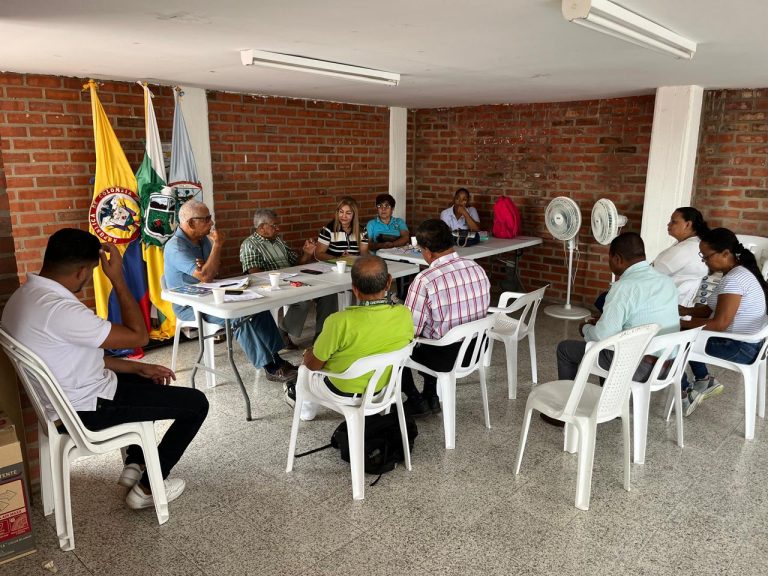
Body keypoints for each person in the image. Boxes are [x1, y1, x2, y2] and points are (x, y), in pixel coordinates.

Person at [2, 228, 209, 510]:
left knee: (149, 381)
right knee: (196, 404)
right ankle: (148, 489)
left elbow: (70, 358)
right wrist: (118, 279)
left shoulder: (24, 296)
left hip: (69, 398)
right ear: (81, 271)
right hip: (86, 410)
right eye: (90, 272)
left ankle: (135, 462)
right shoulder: (61, 310)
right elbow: (139, 337)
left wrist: (135, 368)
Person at [164, 200, 297, 383]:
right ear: (191, 223)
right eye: (206, 219)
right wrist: (217, 246)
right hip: (191, 305)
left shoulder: (202, 240)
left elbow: (214, 270)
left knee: (257, 306)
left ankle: (277, 358)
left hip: (212, 295)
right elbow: (207, 275)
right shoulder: (176, 246)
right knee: (238, 316)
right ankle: (270, 367)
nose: (211, 223)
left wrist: (206, 268)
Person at [556, 233, 679, 411]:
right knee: (610, 346)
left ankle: (566, 410)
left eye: (609, 259)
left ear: (617, 259)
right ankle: (608, 404)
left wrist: (586, 328)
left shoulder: (624, 287)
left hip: (638, 368)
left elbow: (602, 336)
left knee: (566, 349)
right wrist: (604, 322)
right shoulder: (666, 281)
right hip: (668, 366)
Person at [284, 255, 414, 420]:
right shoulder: (404, 314)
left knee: (305, 370)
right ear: (389, 282)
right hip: (383, 388)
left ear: (354, 289)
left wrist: (308, 353)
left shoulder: (339, 321)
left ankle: (304, 408)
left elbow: (313, 365)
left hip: (341, 392)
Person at [400, 219, 491, 416]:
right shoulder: (477, 268)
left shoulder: (425, 280)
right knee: (434, 328)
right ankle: (431, 394)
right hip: (476, 350)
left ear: (427, 251)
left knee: (394, 344)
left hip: (445, 358)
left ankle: (414, 398)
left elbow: (408, 331)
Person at [679, 227, 768, 416]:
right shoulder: (736, 273)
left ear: (726, 253)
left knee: (676, 342)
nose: (704, 260)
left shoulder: (734, 280)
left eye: (706, 256)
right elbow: (710, 309)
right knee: (682, 331)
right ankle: (704, 380)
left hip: (740, 347)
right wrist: (685, 311)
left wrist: (681, 323)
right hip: (750, 345)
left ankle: (685, 395)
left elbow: (719, 324)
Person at [239, 208, 337, 343]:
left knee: (328, 292)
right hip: (272, 286)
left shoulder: (278, 241)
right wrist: (281, 276)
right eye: (274, 225)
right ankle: (282, 333)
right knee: (302, 301)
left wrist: (307, 253)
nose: (278, 228)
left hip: (292, 281)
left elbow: (296, 264)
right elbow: (255, 274)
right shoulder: (250, 244)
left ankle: (322, 336)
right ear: (262, 227)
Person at [653, 207, 710, 306]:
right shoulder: (695, 243)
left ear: (688, 224)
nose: (668, 224)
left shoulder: (686, 249)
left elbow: (649, 274)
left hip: (666, 306)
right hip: (677, 305)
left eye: (674, 221)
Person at [314, 196, 369, 261]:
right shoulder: (328, 229)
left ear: (354, 214)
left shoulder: (362, 231)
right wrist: (339, 259)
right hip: (332, 265)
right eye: (341, 212)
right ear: (337, 212)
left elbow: (364, 254)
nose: (344, 216)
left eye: (348, 213)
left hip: (354, 265)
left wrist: (353, 258)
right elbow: (318, 254)